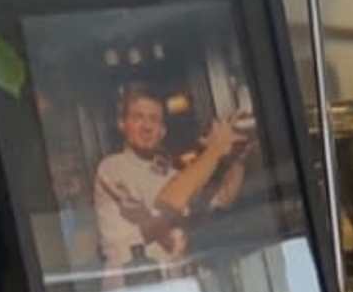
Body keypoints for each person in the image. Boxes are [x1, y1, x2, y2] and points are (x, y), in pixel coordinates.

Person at [90, 78, 255, 271]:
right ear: (122, 124)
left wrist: (237, 158)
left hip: (175, 282)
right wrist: (215, 149)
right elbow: (165, 206)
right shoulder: (111, 168)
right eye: (138, 118)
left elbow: (223, 198)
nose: (146, 127)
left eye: (154, 120)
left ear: (162, 131)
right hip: (131, 285)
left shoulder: (171, 175)